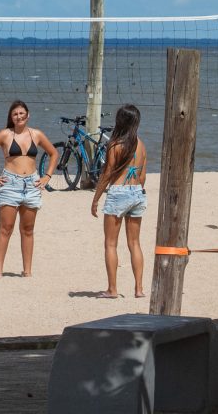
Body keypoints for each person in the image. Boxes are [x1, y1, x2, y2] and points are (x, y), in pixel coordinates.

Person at [0, 99, 59, 278]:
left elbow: (54, 153)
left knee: (28, 229)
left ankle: (27, 270)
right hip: (10, 184)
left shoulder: (37, 134)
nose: (19, 116)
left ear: (28, 115)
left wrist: (47, 176)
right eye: (15, 114)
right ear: (11, 117)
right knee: (6, 228)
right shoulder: (5, 135)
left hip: (32, 184)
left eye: (22, 113)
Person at [90, 104, 147, 299]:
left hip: (118, 192)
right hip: (137, 192)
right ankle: (139, 289)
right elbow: (142, 176)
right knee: (135, 243)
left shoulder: (115, 145)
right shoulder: (141, 145)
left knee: (111, 244)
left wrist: (96, 198)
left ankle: (112, 289)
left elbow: (106, 174)